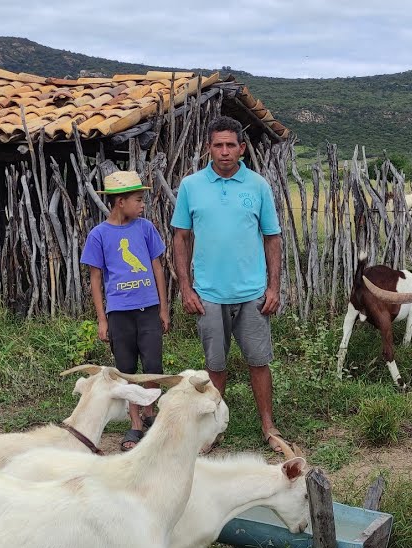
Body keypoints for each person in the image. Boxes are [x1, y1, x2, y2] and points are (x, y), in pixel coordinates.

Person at [171, 116, 287, 453]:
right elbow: (180, 237)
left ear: (241, 148)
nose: (224, 151)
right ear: (209, 148)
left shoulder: (257, 186)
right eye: (218, 145)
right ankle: (213, 430)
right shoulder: (192, 186)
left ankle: (268, 425)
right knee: (215, 366)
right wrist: (186, 289)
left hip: (252, 293)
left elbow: (273, 238)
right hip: (208, 294)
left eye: (230, 145)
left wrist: (273, 288)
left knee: (259, 361)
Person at [82, 169, 170, 450]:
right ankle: (134, 423)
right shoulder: (99, 235)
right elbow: (95, 279)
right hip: (119, 312)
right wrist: (102, 319)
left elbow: (157, 268)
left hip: (148, 309)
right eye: (137, 199)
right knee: (127, 369)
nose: (142, 204)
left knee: (153, 367)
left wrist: (164, 308)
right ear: (120, 202)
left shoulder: (145, 228)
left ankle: (150, 413)